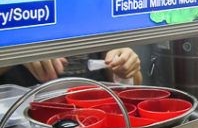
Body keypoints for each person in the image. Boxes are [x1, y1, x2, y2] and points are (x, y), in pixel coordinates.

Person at [0, 47, 143, 87]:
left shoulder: (96, 11)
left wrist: (126, 67)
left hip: (94, 116)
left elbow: (134, 84)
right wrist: (18, 54)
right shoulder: (15, 7)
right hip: (21, 121)